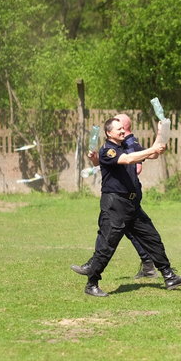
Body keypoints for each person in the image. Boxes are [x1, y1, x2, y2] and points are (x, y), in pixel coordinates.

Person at [81, 117, 181, 297]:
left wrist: (159, 136)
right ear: (109, 133)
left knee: (152, 238)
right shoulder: (107, 150)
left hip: (132, 204)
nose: (123, 131)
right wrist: (152, 149)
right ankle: (91, 283)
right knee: (107, 245)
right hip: (115, 204)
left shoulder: (127, 145)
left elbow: (153, 154)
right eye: (118, 129)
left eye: (123, 128)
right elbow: (128, 159)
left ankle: (169, 275)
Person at [70, 113, 158, 279]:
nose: (120, 129)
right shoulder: (116, 144)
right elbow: (105, 163)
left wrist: (150, 151)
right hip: (120, 196)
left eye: (120, 125)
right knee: (121, 231)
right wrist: (96, 160)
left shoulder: (129, 142)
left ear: (125, 126)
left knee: (111, 233)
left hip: (124, 197)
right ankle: (148, 264)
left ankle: (94, 270)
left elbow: (136, 166)